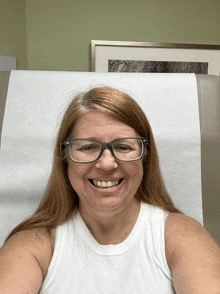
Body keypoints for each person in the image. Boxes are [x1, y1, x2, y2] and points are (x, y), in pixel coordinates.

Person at [0, 86, 220, 293]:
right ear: (65, 158)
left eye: (123, 147)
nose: (106, 164)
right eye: (88, 147)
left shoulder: (180, 236)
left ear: (145, 156)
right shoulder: (33, 245)